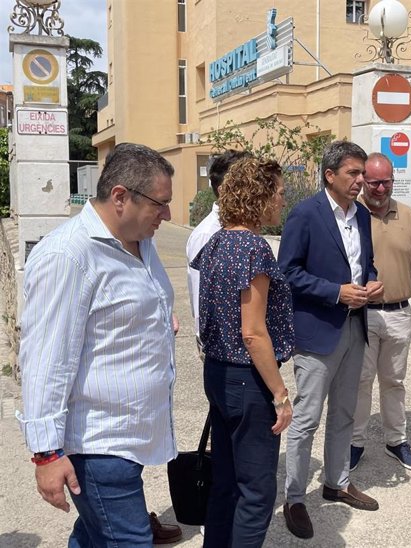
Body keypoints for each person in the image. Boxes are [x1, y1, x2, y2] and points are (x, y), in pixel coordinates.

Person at [17, 143, 179, 546]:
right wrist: (47, 455)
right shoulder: (68, 256)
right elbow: (45, 360)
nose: (169, 215)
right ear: (121, 197)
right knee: (128, 540)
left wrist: (157, 321)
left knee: (93, 537)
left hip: (132, 434)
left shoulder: (140, 239)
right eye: (161, 203)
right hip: (99, 441)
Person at [278, 140, 383, 540]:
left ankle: (336, 482)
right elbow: (286, 273)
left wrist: (370, 282)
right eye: (353, 173)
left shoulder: (363, 217)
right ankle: (294, 497)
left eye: (362, 174)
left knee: (345, 413)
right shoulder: (305, 215)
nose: (362, 180)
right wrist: (335, 292)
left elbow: (363, 263)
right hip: (318, 331)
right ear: (330, 175)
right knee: (306, 419)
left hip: (356, 327)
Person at [190, 157, 294, 547]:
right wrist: (280, 395)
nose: (282, 201)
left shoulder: (216, 242)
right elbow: (253, 333)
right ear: (260, 197)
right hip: (246, 380)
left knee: (227, 483)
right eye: (279, 194)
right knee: (256, 492)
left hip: (217, 373)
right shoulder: (253, 249)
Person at [349, 152, 411, 472]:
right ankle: (355, 443)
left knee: (394, 380)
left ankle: (396, 440)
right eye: (373, 183)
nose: (380, 189)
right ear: (363, 182)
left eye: (386, 182)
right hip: (362, 313)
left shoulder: (409, 216)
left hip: (399, 312)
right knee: (360, 380)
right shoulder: (352, 214)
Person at [186, 149, 251, 351]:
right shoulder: (207, 235)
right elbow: (201, 299)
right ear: (225, 189)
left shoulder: (246, 230)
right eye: (248, 183)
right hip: (224, 349)